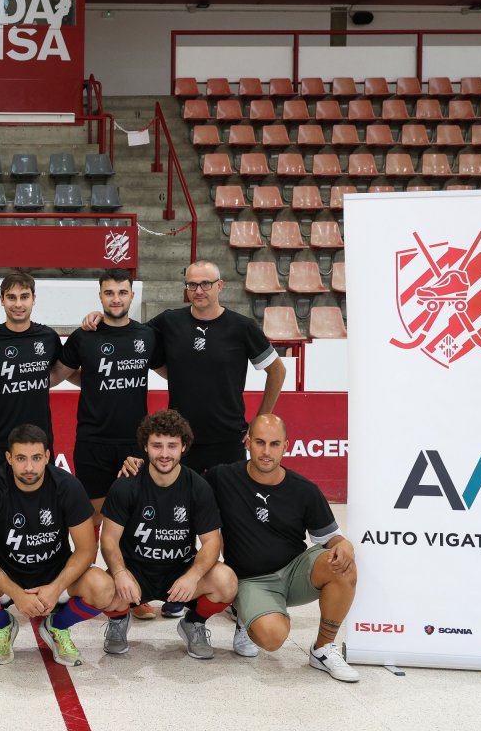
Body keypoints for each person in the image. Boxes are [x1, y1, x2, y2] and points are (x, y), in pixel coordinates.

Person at [87, 259, 284, 618]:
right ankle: (159, 589)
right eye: (192, 284)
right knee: (164, 517)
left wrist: (260, 422)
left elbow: (277, 369)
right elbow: (129, 334)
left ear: (220, 286)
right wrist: (99, 318)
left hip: (227, 440)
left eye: (206, 283)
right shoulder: (169, 322)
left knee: (230, 520)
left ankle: (231, 594)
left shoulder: (242, 327)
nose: (198, 290)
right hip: (177, 445)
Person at [204, 414, 359, 682]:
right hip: (252, 580)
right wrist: (137, 468)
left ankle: (323, 649)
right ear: (248, 442)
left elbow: (332, 539)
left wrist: (344, 544)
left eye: (274, 444)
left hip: (294, 572)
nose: (267, 451)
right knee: (273, 637)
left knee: (342, 565)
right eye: (260, 442)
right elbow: (179, 484)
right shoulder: (222, 477)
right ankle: (248, 617)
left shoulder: (305, 490)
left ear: (285, 446)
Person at [54, 269, 162, 621]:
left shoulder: (147, 336)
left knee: (134, 519)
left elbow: (171, 370)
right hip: (93, 441)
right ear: (100, 296)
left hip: (134, 443)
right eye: (109, 293)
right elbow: (57, 374)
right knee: (91, 518)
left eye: (122, 292)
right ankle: (82, 583)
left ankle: (134, 591)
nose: (116, 298)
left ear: (132, 295)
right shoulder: (85, 336)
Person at [0, 424, 114, 666]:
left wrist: (55, 588)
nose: (29, 467)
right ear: (9, 458)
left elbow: (86, 550)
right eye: (21, 458)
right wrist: (17, 594)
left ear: (47, 456)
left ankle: (57, 626)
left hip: (54, 573)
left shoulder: (67, 486)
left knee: (103, 587)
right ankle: (3, 626)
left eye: (36, 458)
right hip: (4, 576)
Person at [99, 410, 237, 660]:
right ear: (145, 446)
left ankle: (194, 623)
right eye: (157, 445)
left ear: (184, 446)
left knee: (226, 581)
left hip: (180, 571)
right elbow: (108, 538)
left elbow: (212, 542)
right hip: (135, 571)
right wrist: (119, 573)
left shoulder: (198, 487)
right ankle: (118, 621)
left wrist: (193, 576)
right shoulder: (127, 484)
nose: (164, 454)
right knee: (100, 588)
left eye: (172, 445)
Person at [0, 271, 64, 486]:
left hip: (39, 440)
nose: (18, 304)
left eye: (24, 296)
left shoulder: (48, 337)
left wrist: (37, 385)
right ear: (2, 300)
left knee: (41, 501)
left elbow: (59, 371)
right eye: (11, 297)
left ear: (33, 299)